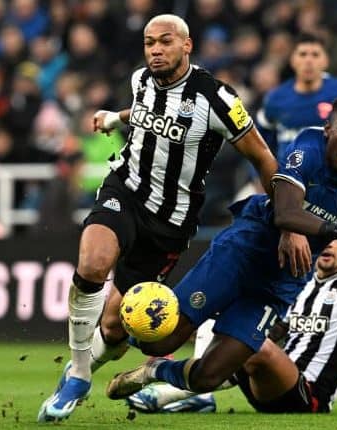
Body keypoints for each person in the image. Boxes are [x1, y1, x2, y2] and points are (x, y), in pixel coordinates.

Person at [105, 95, 337, 404]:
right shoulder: (308, 145)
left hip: (281, 280)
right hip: (243, 250)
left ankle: (151, 373)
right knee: (160, 342)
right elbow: (285, 213)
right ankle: (111, 335)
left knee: (207, 377)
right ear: (328, 129)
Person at [38, 14, 285, 422]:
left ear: (187, 45)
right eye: (149, 42)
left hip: (170, 222)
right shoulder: (141, 79)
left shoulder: (217, 99)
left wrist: (285, 219)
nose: (155, 50)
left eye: (165, 41)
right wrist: (114, 118)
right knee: (93, 263)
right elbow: (143, 112)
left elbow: (261, 155)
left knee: (116, 327)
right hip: (125, 190)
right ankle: (78, 376)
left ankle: (85, 364)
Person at [126, 240, 337, 415]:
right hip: (268, 387)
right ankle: (196, 393)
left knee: (249, 340)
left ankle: (175, 384)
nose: (329, 243)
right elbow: (275, 330)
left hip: (309, 397)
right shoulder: (303, 282)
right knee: (223, 319)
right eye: (325, 237)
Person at [256, 32, 337, 166]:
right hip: (291, 175)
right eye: (303, 54)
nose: (308, 61)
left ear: (326, 61)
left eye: (315, 55)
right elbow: (260, 140)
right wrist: (259, 171)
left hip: (334, 176)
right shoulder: (275, 98)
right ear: (292, 60)